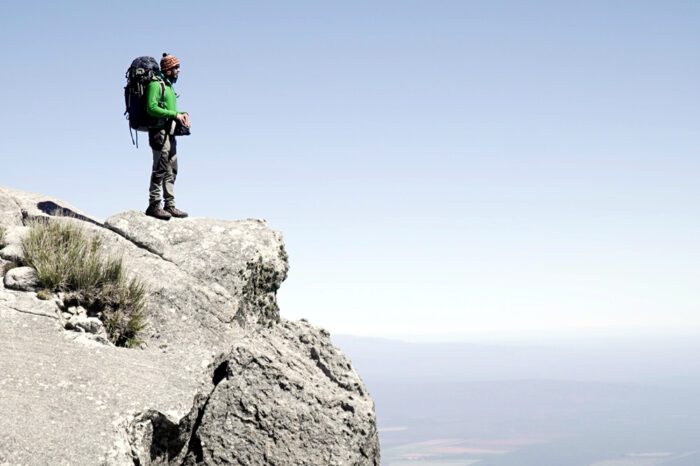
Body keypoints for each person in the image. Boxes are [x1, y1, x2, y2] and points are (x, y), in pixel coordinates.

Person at [144, 53, 191, 220]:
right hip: (158, 132)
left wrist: (180, 114)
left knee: (172, 167)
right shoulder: (156, 85)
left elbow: (168, 110)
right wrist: (174, 114)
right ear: (168, 69)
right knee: (160, 166)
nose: (178, 70)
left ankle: (169, 205)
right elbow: (151, 107)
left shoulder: (169, 85)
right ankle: (154, 204)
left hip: (169, 131)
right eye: (175, 68)